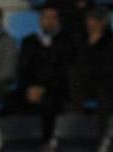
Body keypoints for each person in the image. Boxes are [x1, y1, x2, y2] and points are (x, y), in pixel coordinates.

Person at [16, 6, 74, 136]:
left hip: (56, 87)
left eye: (53, 18)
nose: (49, 21)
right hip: (31, 87)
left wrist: (44, 88)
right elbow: (23, 68)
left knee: (50, 103)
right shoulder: (28, 41)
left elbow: (64, 70)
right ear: (40, 20)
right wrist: (30, 87)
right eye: (46, 17)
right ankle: (22, 144)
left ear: (58, 21)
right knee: (14, 102)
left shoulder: (67, 41)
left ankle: (48, 142)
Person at [68, 8, 113, 116]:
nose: (90, 24)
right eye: (88, 20)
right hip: (85, 84)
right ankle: (75, 128)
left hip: (106, 84)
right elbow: (76, 63)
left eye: (94, 20)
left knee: (106, 97)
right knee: (71, 85)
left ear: (103, 23)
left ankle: (104, 131)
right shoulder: (80, 41)